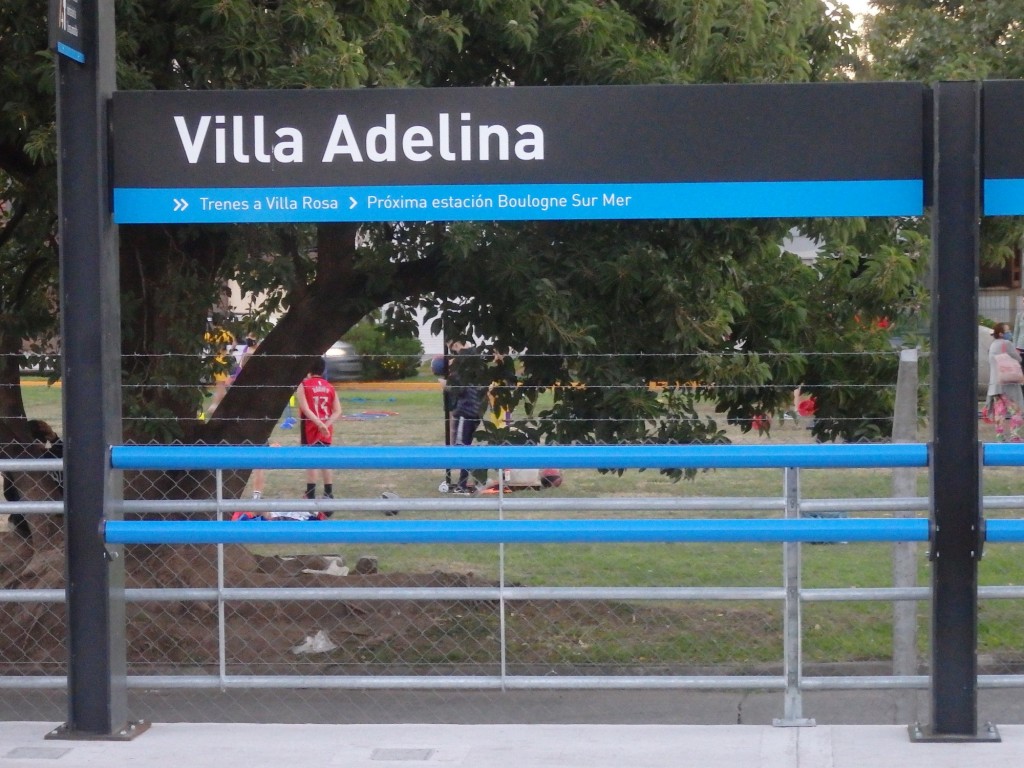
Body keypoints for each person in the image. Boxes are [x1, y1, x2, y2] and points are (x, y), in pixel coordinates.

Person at [296, 357, 343, 502]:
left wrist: (318, 424)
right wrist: (326, 424)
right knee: (324, 459)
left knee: (310, 460)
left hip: (310, 427)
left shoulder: (304, 385)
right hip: (326, 429)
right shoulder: (329, 386)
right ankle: (328, 492)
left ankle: (310, 493)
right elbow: (338, 411)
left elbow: (305, 408)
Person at [445, 341, 489, 494]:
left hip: (466, 410)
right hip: (475, 410)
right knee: (465, 446)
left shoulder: (461, 364)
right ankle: (467, 483)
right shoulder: (477, 360)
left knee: (461, 448)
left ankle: (466, 484)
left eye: (452, 345)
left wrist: (446, 384)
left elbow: (459, 388)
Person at [987, 322, 1024, 442]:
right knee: (1016, 410)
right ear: (1001, 334)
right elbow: (1018, 358)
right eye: (1007, 331)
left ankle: (1000, 438)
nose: (1010, 333)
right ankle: (1015, 436)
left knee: (999, 412)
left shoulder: (992, 345)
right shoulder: (1007, 343)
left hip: (995, 385)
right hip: (1008, 384)